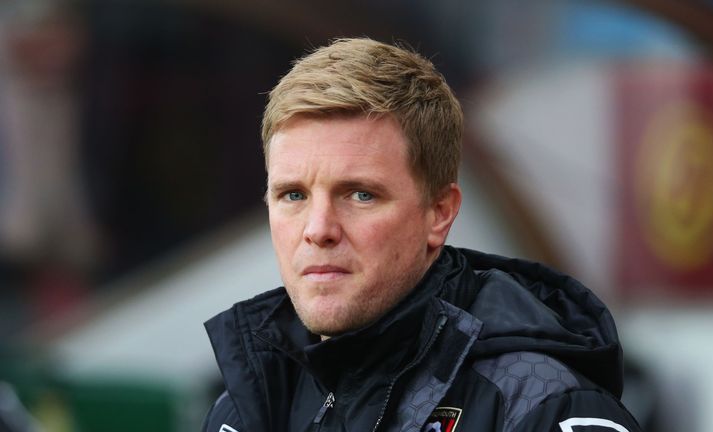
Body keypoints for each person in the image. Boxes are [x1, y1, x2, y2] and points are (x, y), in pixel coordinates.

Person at [202, 38, 642, 432]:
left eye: (360, 194)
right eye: (293, 194)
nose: (318, 230)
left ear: (439, 213)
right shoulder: (248, 407)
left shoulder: (542, 408)